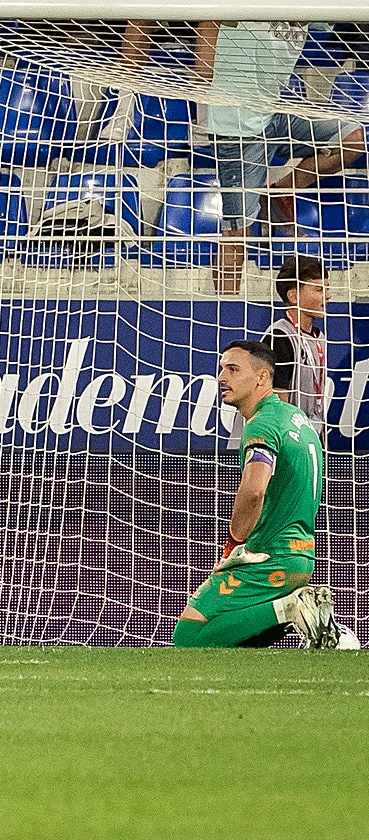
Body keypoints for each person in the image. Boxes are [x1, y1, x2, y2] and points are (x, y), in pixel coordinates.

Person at [174, 340, 339, 649]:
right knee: (239, 639)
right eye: (222, 369)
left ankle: (292, 608)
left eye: (233, 370)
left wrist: (234, 545)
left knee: (188, 636)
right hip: (301, 557)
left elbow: (254, 489)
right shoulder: (296, 418)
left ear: (263, 378)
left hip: (267, 557)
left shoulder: (261, 425)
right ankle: (312, 620)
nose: (222, 377)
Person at [196, 21, 366, 293]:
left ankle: (278, 193)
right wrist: (201, 90)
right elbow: (209, 21)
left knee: (353, 139)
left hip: (274, 112)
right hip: (236, 123)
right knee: (237, 234)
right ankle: (223, 310)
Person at [263, 255, 329, 437]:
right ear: (293, 296)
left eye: (327, 289)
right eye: (319, 290)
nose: (328, 296)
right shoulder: (279, 335)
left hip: (310, 434)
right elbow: (277, 400)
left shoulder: (319, 337)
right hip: (287, 438)